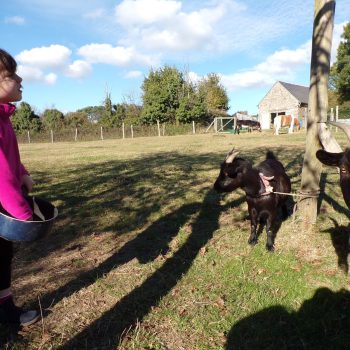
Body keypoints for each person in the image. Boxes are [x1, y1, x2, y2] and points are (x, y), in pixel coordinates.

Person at [0, 48, 40, 327]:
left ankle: (7, 311)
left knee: (2, 260)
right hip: (2, 207)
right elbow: (0, 177)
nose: (20, 78)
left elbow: (10, 158)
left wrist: (23, 173)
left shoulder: (4, 118)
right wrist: (24, 215)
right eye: (11, 75)